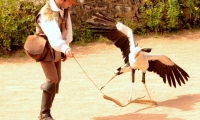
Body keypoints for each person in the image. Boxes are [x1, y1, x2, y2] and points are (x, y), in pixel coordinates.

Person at [35, 0, 80, 119]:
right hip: (44, 49)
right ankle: (44, 114)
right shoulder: (46, 12)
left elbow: (67, 31)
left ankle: (45, 113)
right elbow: (54, 37)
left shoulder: (64, 11)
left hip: (56, 48)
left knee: (57, 79)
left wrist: (66, 47)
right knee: (52, 79)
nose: (71, 4)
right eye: (70, 1)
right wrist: (64, 48)